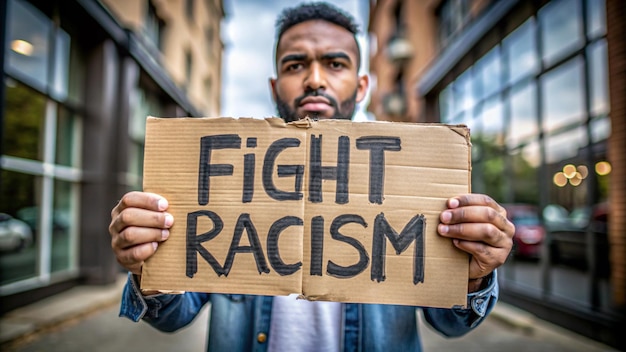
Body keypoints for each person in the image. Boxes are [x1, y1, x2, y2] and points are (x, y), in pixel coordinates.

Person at [109, 2, 515, 351]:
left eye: (335, 63)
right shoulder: (223, 184)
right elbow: (171, 317)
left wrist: (474, 276)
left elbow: (450, 323)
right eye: (295, 64)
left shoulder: (411, 184)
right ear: (275, 85)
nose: (315, 78)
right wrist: (147, 267)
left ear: (361, 87)